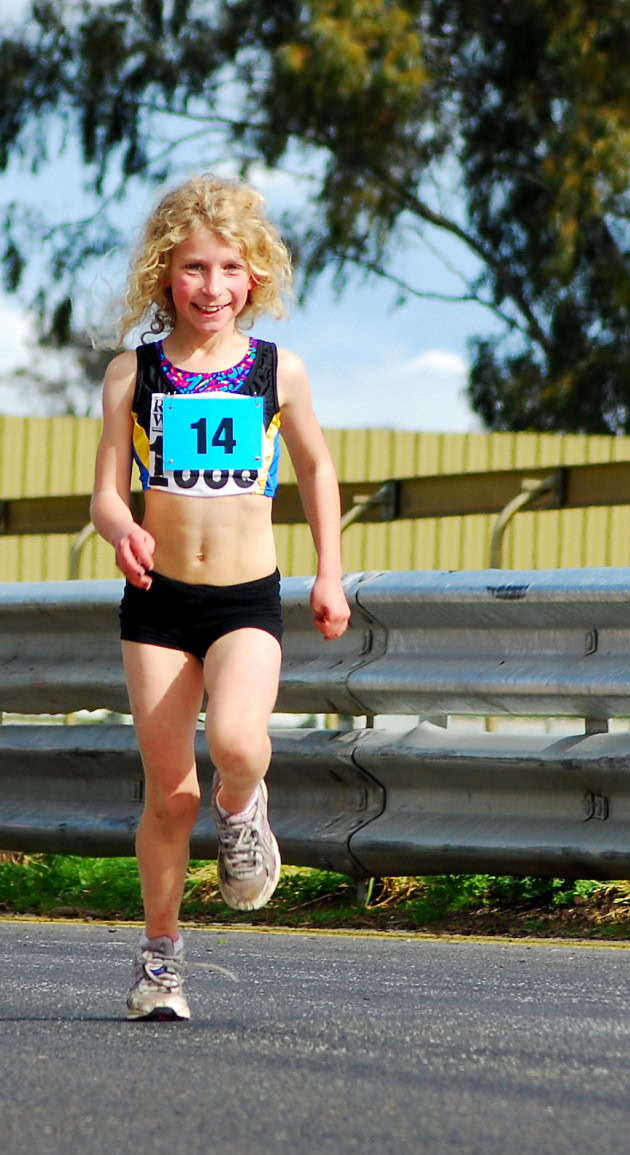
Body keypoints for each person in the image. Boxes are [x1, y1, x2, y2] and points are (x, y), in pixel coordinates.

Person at [90, 175, 351, 1020]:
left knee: (237, 743)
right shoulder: (133, 374)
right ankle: (160, 962)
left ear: (255, 277)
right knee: (170, 795)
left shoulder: (278, 370)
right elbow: (105, 493)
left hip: (244, 599)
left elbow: (315, 467)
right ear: (165, 275)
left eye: (230, 268)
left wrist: (330, 571)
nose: (212, 286)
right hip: (157, 604)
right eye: (195, 268)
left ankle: (242, 808)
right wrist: (121, 529)